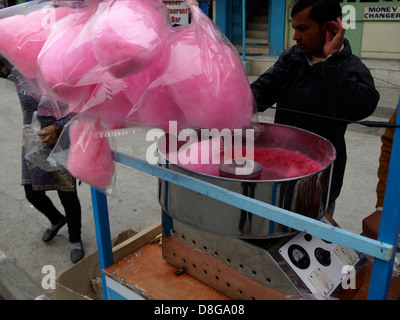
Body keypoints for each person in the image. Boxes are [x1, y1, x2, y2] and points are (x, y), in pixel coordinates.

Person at [250, 0, 379, 215]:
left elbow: (363, 106)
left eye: (303, 29)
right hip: (282, 168)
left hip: (319, 180)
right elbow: (263, 89)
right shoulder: (291, 59)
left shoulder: (348, 67)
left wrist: (332, 61)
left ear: (329, 28)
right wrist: (233, 100)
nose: (295, 37)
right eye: (294, 29)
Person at [1, 55, 84, 264]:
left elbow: (83, 109)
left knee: (67, 194)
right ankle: (56, 220)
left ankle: (75, 239)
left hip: (60, 139)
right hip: (32, 140)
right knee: (32, 193)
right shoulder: (19, 72)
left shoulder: (63, 70)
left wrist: (57, 127)